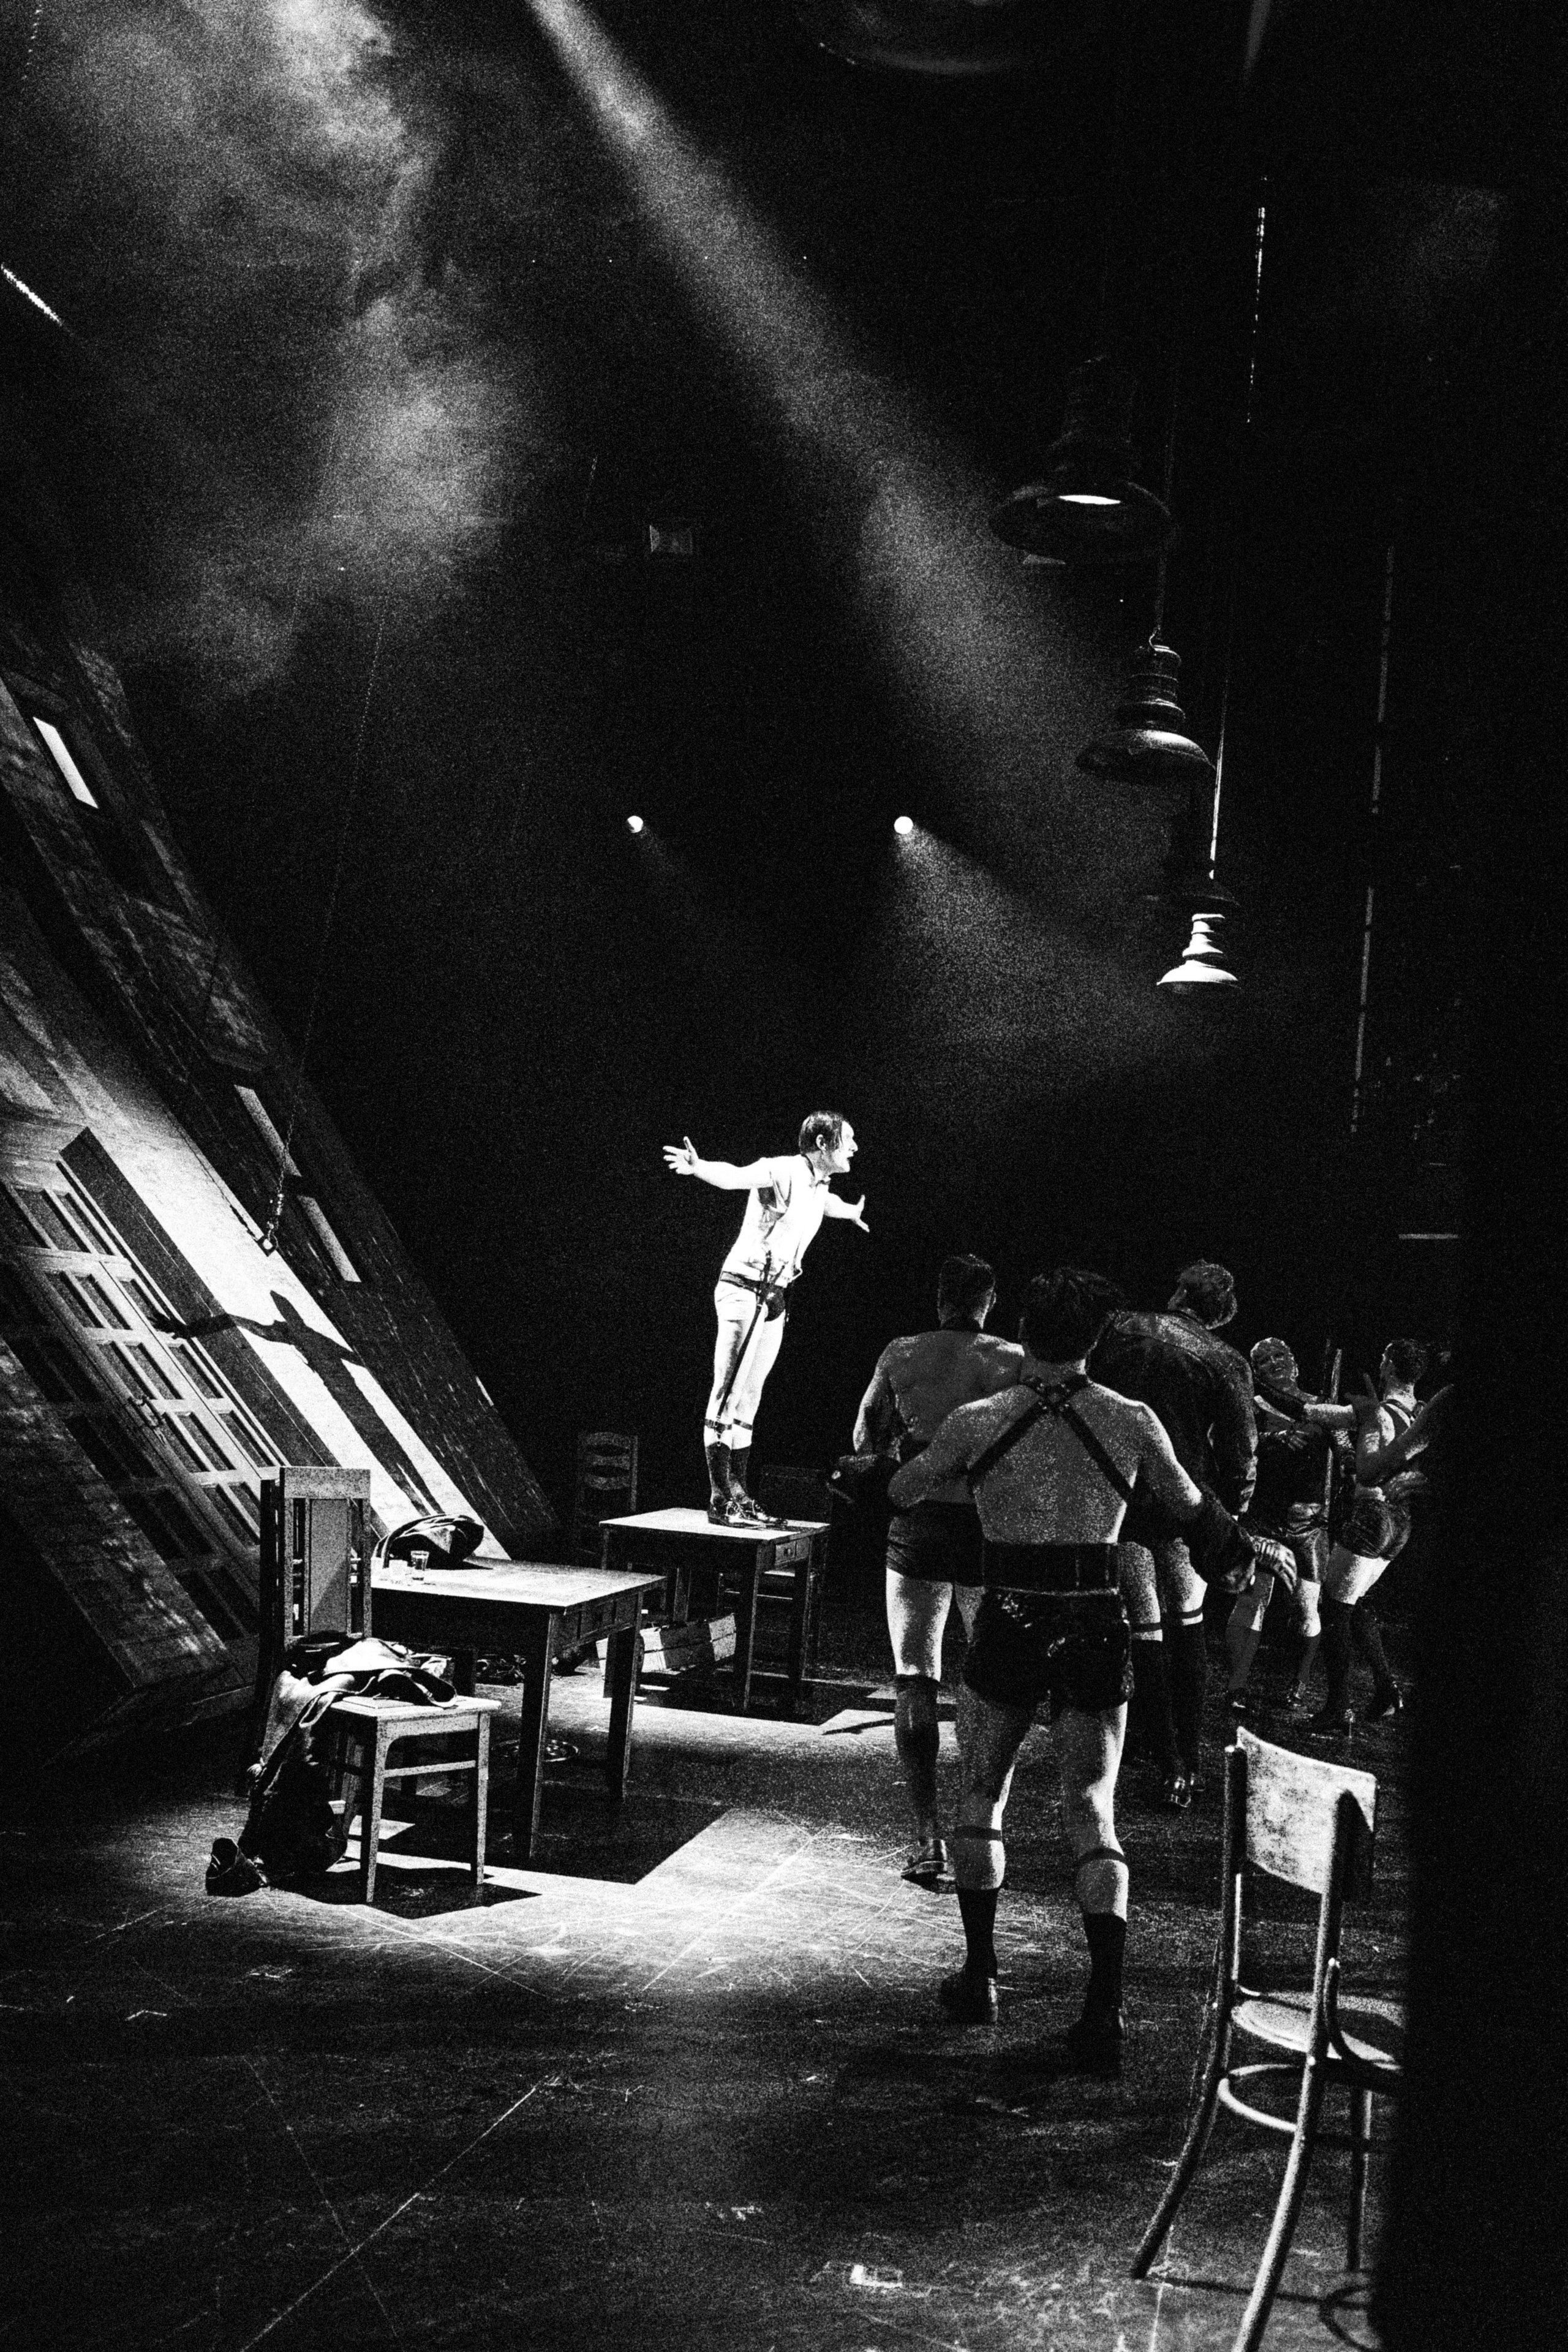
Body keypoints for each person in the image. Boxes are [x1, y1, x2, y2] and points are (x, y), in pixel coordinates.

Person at [889, 1268, 1254, 2075]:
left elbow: (904, 1488)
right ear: (1094, 1341)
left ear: (1027, 1329)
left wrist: (903, 1458)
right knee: (1092, 1807)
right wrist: (1243, 1554)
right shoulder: (1131, 1419)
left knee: (982, 1794)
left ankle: (981, 1975)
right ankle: (1103, 2008)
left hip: (1011, 1618)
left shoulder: (981, 1419)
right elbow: (1195, 1509)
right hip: (1095, 1619)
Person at [851, 1254, 1023, 1886]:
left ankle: (925, 1837)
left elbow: (865, 1437)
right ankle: (979, 1824)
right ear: (989, 1300)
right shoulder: (1010, 1358)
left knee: (914, 1677)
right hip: (984, 1528)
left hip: (920, 1522)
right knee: (986, 1681)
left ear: (940, 1297)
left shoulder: (901, 1352)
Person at [1090, 1262, 1257, 1808]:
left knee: (1146, 1630)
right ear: (1222, 1313)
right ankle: (1187, 1761)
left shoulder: (1117, 1327)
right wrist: (1226, 1519)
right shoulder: (1226, 1360)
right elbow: (1239, 1454)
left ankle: (1159, 1755)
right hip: (1187, 1502)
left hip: (1121, 1494)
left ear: (1179, 1291)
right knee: (1188, 1627)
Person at [664, 1112, 868, 1524]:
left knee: (749, 1399)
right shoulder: (782, 1170)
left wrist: (850, 1211)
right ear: (824, 1142)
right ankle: (720, 1498)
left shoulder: (816, 1185)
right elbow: (736, 1176)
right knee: (727, 1393)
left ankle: (739, 1492)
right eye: (848, 1139)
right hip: (745, 1289)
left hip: (776, 1296)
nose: (855, 1147)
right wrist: (699, 1167)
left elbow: (824, 1205)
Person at [1279, 1339, 1446, 1731]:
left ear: (1387, 1365)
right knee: (1357, 1603)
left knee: (1334, 1609)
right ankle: (1386, 1688)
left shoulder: (1375, 1412)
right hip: (1403, 1520)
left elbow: (1309, 1412)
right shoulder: (1424, 1412)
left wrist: (1253, 1383)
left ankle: (1339, 1707)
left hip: (1373, 1514)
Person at [1223, 1338, 1348, 1717]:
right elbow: (1230, 1444)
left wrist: (1347, 1457)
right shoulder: (1252, 1408)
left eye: (1281, 1355)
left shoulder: (1320, 1408)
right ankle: (1236, 1687)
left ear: (1295, 1363)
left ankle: (1299, 1685)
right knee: (1252, 1600)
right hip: (1263, 1516)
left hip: (1307, 1522)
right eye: (1263, 1359)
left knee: (1305, 1609)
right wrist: (1271, 1441)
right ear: (1255, 1370)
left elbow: (1345, 1451)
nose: (1274, 1363)